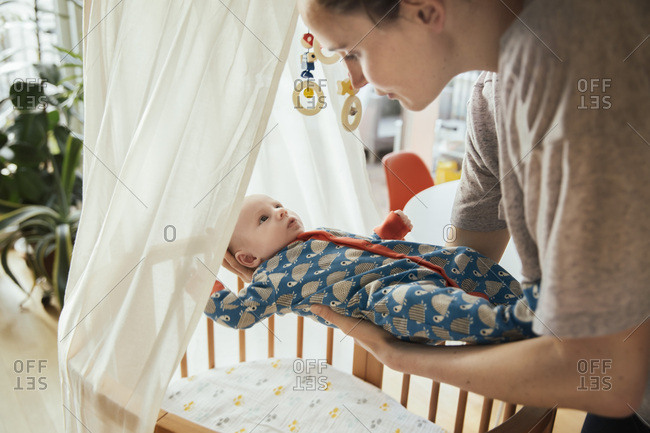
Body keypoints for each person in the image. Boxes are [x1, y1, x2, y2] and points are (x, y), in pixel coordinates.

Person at [223, 1, 647, 432]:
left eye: (352, 51)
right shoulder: (494, 99)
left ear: (424, 11)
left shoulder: (576, 79)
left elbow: (607, 375)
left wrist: (401, 357)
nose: (353, 80)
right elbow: (463, 264)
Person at [207, 194, 538, 345]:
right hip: (380, 298)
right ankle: (503, 323)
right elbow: (239, 314)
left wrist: (386, 234)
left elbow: (362, 246)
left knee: (462, 258)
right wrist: (205, 285)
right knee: (413, 302)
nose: (279, 212)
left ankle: (527, 303)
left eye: (276, 205)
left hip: (404, 264)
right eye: (263, 218)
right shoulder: (270, 281)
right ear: (249, 259)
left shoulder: (319, 233)